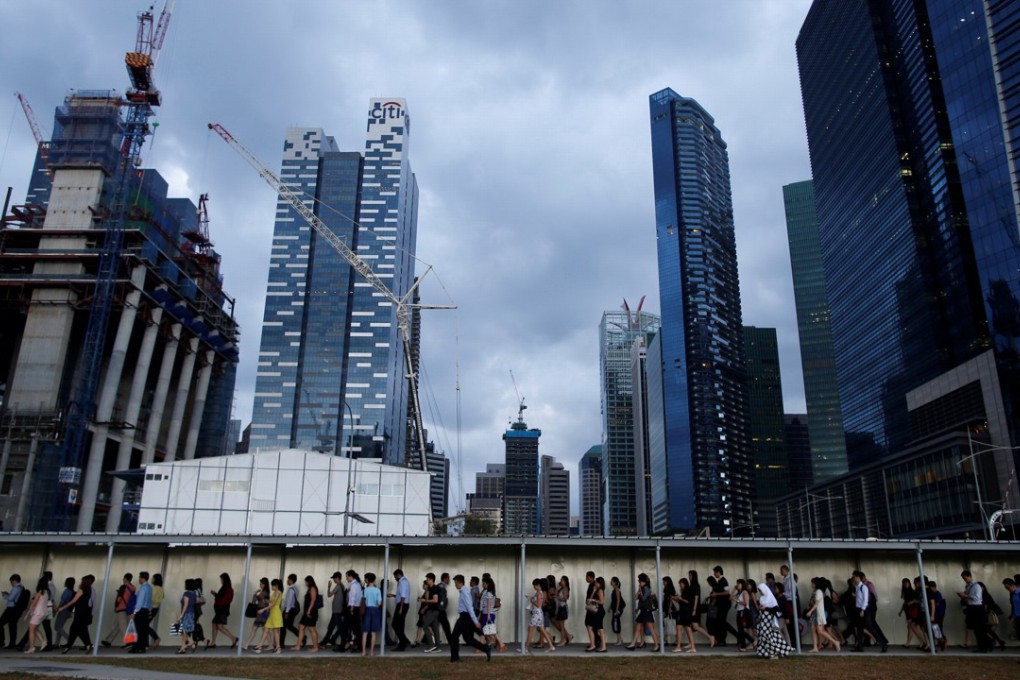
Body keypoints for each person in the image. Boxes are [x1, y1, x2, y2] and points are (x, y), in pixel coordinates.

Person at [449, 574, 491, 662]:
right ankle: (486, 648)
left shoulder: (464, 592)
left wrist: (475, 621)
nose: (455, 584)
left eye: (455, 582)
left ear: (459, 582)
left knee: (454, 637)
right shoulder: (463, 591)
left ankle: (455, 658)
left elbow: (470, 607)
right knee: (468, 639)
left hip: (465, 617)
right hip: (465, 616)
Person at [755, 582, 794, 659]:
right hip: (764, 620)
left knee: (774, 636)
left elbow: (776, 609)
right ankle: (772, 652)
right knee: (768, 636)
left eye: (760, 590)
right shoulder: (762, 598)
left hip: (771, 620)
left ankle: (776, 652)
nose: (760, 592)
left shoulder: (771, 597)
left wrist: (765, 608)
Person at [956, 570, 992, 653]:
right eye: (963, 579)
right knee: (976, 629)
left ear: (969, 577)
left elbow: (977, 598)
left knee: (979, 629)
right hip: (971, 607)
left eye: (965, 578)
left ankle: (984, 646)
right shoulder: (968, 586)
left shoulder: (976, 586)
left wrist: (965, 596)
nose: (965, 580)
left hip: (977, 608)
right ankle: (984, 645)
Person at [58, 574, 95, 654]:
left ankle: (70, 646)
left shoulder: (81, 590)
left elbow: (73, 601)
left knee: (74, 630)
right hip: (86, 613)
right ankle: (87, 645)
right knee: (81, 630)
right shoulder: (89, 591)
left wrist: (62, 607)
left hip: (80, 613)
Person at [805, 577, 840, 653]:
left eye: (812, 583)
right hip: (815, 614)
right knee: (813, 630)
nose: (811, 584)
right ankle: (815, 647)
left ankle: (835, 642)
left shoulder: (818, 592)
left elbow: (816, 603)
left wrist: (810, 611)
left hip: (819, 614)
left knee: (820, 631)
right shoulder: (817, 591)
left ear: (816, 584)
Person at [100, 573, 134, 648]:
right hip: (128, 608)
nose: (123, 580)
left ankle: (130, 642)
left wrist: (116, 606)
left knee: (123, 626)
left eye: (123, 578)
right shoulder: (132, 587)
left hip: (121, 608)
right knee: (116, 625)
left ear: (125, 579)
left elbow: (119, 599)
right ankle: (108, 640)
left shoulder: (123, 587)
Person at [626, 573, 658, 650]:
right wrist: (639, 591)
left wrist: (640, 591)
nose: (639, 583)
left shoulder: (647, 589)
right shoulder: (642, 589)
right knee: (638, 627)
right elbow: (636, 598)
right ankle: (633, 644)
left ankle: (657, 645)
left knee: (651, 629)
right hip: (643, 611)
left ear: (643, 581)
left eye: (640, 581)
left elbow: (644, 599)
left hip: (647, 612)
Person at [208, 572, 237, 649]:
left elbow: (220, 597)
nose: (220, 580)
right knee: (214, 624)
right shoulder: (228, 588)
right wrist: (216, 594)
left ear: (224, 579)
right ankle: (213, 642)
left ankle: (233, 638)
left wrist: (214, 594)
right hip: (222, 610)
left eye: (221, 579)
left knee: (219, 626)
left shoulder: (225, 587)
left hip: (222, 610)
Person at [526, 577, 556, 652]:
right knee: (542, 630)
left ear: (538, 585)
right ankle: (551, 646)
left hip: (537, 614)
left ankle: (525, 647)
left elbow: (538, 604)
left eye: (534, 585)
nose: (534, 587)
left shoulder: (539, 593)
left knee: (530, 629)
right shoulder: (538, 592)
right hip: (538, 614)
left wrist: (531, 600)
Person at [20, 577, 49, 653]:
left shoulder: (39, 592)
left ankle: (32, 647)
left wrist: (27, 614)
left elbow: (34, 603)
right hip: (44, 612)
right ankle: (43, 641)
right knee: (34, 628)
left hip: (38, 612)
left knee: (31, 629)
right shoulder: (46, 592)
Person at [254, 578, 283, 654]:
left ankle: (277, 647)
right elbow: (272, 602)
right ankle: (259, 646)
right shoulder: (275, 593)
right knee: (266, 629)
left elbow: (273, 604)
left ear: (276, 586)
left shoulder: (278, 592)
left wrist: (263, 609)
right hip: (272, 613)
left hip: (276, 613)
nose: (271, 587)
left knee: (275, 631)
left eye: (272, 586)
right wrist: (267, 601)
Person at [292, 575, 320, 652]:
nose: (305, 583)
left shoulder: (313, 588)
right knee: (301, 627)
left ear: (309, 582)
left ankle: (315, 647)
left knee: (312, 629)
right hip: (307, 612)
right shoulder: (309, 589)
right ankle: (298, 646)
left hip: (311, 612)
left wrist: (309, 610)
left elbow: (313, 600)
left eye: (306, 582)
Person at [480, 574, 506, 653]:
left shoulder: (489, 593)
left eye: (483, 583)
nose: (483, 584)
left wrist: (488, 616)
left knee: (490, 630)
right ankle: (484, 645)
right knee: (486, 630)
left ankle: (501, 645)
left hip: (488, 614)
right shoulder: (487, 592)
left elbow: (489, 605)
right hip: (487, 613)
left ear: (487, 584)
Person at [128, 571, 152, 654]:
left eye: (139, 577)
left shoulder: (143, 588)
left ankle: (137, 647)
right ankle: (142, 647)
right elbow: (149, 600)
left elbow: (139, 601)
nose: (139, 579)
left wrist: (134, 612)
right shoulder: (149, 587)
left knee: (138, 629)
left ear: (142, 578)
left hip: (140, 611)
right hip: (145, 610)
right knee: (143, 630)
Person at [0, 573, 26, 648]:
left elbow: (11, 599)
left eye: (11, 582)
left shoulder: (16, 588)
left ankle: (1, 641)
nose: (11, 583)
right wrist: (9, 594)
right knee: (12, 626)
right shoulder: (21, 588)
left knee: (0, 623)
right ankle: (12, 644)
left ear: (14, 580)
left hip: (11, 609)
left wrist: (4, 595)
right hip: (17, 610)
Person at [388, 568, 411, 651]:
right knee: (400, 625)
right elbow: (401, 595)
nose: (395, 578)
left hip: (402, 605)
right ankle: (403, 644)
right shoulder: (403, 582)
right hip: (402, 604)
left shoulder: (403, 582)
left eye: (395, 577)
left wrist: (401, 608)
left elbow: (403, 596)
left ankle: (404, 641)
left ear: (398, 575)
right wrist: (394, 595)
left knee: (395, 624)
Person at [244, 578, 270, 650]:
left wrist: (256, 593)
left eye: (261, 584)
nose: (260, 585)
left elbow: (255, 600)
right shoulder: (266, 592)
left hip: (261, 613)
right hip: (262, 613)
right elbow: (257, 601)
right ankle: (270, 645)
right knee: (264, 630)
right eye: (260, 584)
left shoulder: (264, 592)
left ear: (265, 584)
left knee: (256, 629)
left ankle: (246, 644)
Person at [361, 572, 382, 657]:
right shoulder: (378, 590)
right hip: (375, 610)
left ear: (367, 580)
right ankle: (372, 652)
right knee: (373, 633)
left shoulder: (365, 590)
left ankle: (363, 651)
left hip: (367, 610)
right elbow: (379, 603)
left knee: (365, 632)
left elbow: (363, 601)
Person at [421, 572, 443, 653]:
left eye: (427, 579)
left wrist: (425, 600)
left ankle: (431, 645)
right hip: (432, 610)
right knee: (435, 628)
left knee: (425, 626)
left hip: (434, 610)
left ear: (431, 579)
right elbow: (429, 601)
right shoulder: (430, 589)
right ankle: (437, 647)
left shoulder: (435, 588)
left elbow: (435, 600)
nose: (426, 581)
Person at [583, 574, 605, 652]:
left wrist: (594, 600)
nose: (595, 584)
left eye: (597, 583)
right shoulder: (595, 589)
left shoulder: (600, 590)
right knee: (590, 626)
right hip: (594, 611)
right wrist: (593, 591)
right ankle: (593, 644)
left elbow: (602, 602)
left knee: (599, 628)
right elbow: (590, 598)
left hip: (599, 611)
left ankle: (602, 646)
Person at [323, 571, 346, 648]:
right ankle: (328, 640)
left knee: (338, 627)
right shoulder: (342, 586)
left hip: (337, 611)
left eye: (334, 578)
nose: (333, 580)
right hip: (338, 610)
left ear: (337, 578)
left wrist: (329, 587)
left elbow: (329, 595)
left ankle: (327, 641)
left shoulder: (338, 586)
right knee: (332, 627)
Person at [673, 576, 695, 653]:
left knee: (681, 628)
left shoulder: (688, 591)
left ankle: (679, 646)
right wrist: (676, 599)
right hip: (684, 611)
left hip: (685, 612)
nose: (680, 586)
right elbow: (682, 602)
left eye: (681, 584)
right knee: (686, 629)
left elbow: (689, 602)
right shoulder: (684, 592)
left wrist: (680, 598)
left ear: (684, 583)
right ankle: (692, 646)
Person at [176, 578, 198, 654]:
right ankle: (183, 647)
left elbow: (185, 605)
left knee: (183, 631)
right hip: (191, 613)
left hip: (186, 614)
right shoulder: (194, 594)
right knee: (185, 631)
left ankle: (192, 643)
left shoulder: (186, 594)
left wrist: (181, 615)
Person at [343, 570, 363, 653]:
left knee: (349, 627)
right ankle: (354, 644)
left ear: (351, 576)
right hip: (357, 607)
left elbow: (353, 597)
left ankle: (351, 644)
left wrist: (351, 608)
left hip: (353, 608)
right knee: (355, 628)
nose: (346, 578)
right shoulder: (358, 584)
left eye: (347, 576)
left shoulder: (354, 585)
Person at [53, 577, 75, 649]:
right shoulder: (72, 592)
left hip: (63, 610)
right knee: (60, 627)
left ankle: (69, 640)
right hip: (68, 610)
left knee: (57, 627)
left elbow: (63, 601)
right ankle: (56, 643)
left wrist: (58, 608)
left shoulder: (67, 591)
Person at [280, 573, 300, 648]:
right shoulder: (296, 589)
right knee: (289, 626)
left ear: (291, 580)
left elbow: (289, 601)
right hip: (293, 610)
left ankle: (281, 644)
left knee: (283, 627)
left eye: (288, 579)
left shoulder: (291, 589)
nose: (287, 581)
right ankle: (302, 637)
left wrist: (286, 612)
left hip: (289, 610)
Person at [553, 575, 572, 646]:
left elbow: (565, 598)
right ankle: (566, 638)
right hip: (560, 607)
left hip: (563, 607)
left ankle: (563, 640)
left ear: (565, 581)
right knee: (561, 625)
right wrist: (557, 590)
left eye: (562, 580)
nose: (561, 582)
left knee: (561, 625)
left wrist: (557, 597)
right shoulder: (561, 588)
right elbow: (556, 594)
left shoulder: (565, 588)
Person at [609, 576, 626, 645]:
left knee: (616, 623)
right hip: (615, 609)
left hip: (618, 609)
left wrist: (617, 609)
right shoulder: (614, 590)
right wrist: (610, 607)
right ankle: (619, 639)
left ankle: (619, 640)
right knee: (614, 623)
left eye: (612, 581)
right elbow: (613, 600)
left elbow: (618, 600)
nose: (611, 582)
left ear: (615, 582)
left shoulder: (617, 590)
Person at [149, 573, 164, 649]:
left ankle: (156, 638)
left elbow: (151, 599)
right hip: (156, 608)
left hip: (151, 608)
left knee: (144, 625)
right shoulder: (161, 589)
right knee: (145, 625)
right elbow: (162, 597)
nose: (151, 579)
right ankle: (155, 639)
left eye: (153, 578)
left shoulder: (154, 588)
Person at [661, 576, 677, 647]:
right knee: (668, 623)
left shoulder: (668, 588)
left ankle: (667, 640)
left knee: (669, 623)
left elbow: (671, 599)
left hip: (669, 608)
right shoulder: (668, 588)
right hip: (667, 607)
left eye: (664, 581)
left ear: (667, 581)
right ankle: (667, 639)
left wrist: (670, 608)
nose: (663, 583)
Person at [1004, 578, 1020, 646]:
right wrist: (1013, 618)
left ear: (1013, 585)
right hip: (1017, 617)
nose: (1008, 590)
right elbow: (1015, 608)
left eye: (1008, 587)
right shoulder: (1013, 596)